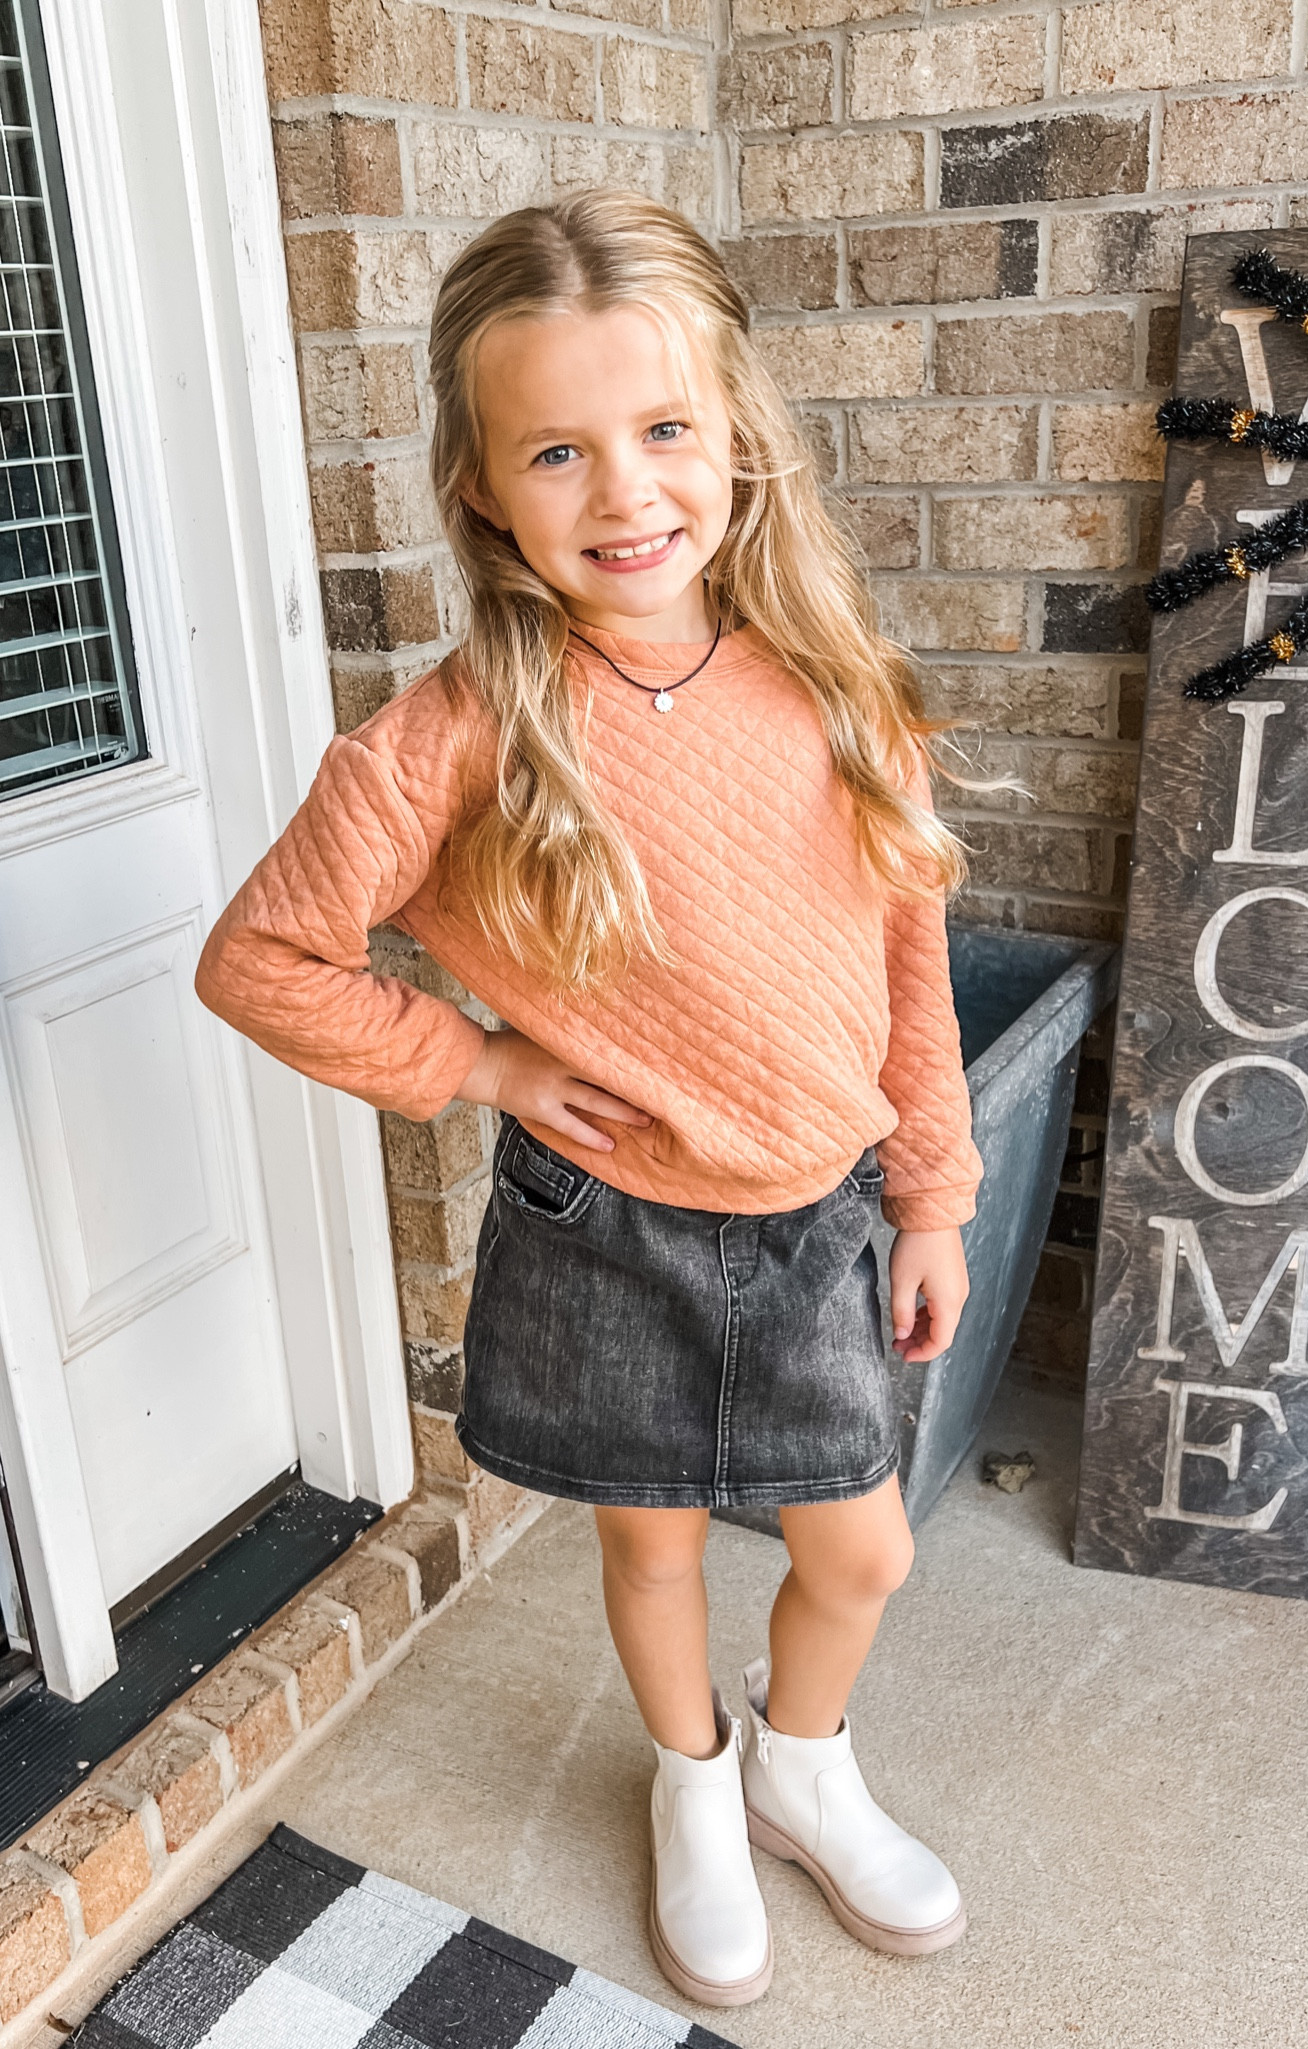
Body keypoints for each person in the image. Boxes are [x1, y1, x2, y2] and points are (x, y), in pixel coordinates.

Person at [196, 188, 983, 2010]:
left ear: (732, 443)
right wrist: (475, 1059)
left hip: (817, 1219)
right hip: (609, 1221)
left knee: (857, 1547)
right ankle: (693, 1790)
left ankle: (804, 1763)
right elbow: (265, 959)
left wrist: (932, 1193)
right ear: (483, 489)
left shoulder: (835, 686)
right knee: (646, 1544)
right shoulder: (451, 734)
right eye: (556, 450)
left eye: (661, 434)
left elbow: (907, 969)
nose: (623, 493)